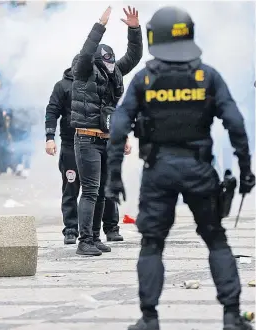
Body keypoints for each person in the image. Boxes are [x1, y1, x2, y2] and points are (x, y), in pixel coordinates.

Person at [105, 7, 255, 330]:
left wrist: (114, 174)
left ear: (153, 37)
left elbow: (118, 126)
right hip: (200, 169)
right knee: (216, 238)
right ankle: (231, 315)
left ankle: (149, 318)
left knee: (152, 243)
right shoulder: (208, 76)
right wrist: (246, 170)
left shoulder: (144, 79)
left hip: (158, 170)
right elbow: (236, 124)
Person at [70, 6, 142, 256]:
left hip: (107, 139)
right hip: (87, 139)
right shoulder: (84, 71)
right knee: (90, 190)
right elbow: (87, 50)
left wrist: (134, 29)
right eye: (108, 61)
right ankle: (84, 241)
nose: (113, 66)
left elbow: (133, 56)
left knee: (101, 191)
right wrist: (99, 26)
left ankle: (96, 237)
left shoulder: (114, 74)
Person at [45, 55, 130, 244]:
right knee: (72, 187)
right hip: (71, 143)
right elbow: (52, 111)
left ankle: (110, 227)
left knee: (103, 187)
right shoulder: (63, 86)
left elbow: (111, 112)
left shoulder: (98, 83)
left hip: (99, 141)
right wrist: (49, 138)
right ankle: (71, 229)